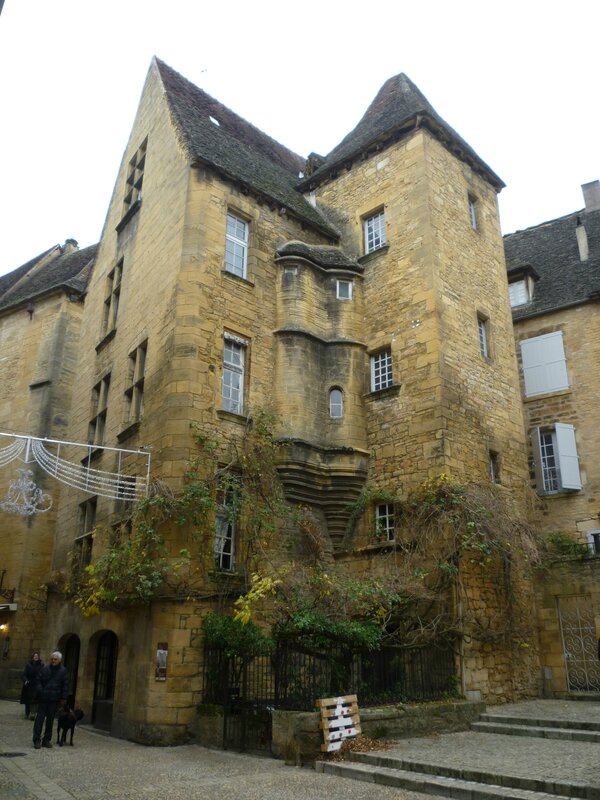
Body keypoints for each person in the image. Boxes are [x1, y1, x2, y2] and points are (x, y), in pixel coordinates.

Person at [32, 651, 68, 749]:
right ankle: (36, 740)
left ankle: (46, 740)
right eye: (52, 659)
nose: (53, 661)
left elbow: (65, 685)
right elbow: (38, 680)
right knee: (39, 720)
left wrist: (63, 698)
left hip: (54, 699)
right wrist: (40, 691)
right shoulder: (45, 669)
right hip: (43, 699)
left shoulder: (63, 671)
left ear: (59, 660)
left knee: (50, 721)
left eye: (55, 659)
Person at [20, 651, 43, 719]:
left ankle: (33, 714)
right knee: (27, 701)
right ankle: (27, 713)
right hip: (29, 685)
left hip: (37, 685)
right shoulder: (28, 665)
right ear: (32, 657)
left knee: (35, 700)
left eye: (37, 656)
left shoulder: (42, 665)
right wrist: (25, 680)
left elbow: (43, 674)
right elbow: (24, 675)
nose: (36, 657)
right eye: (34, 656)